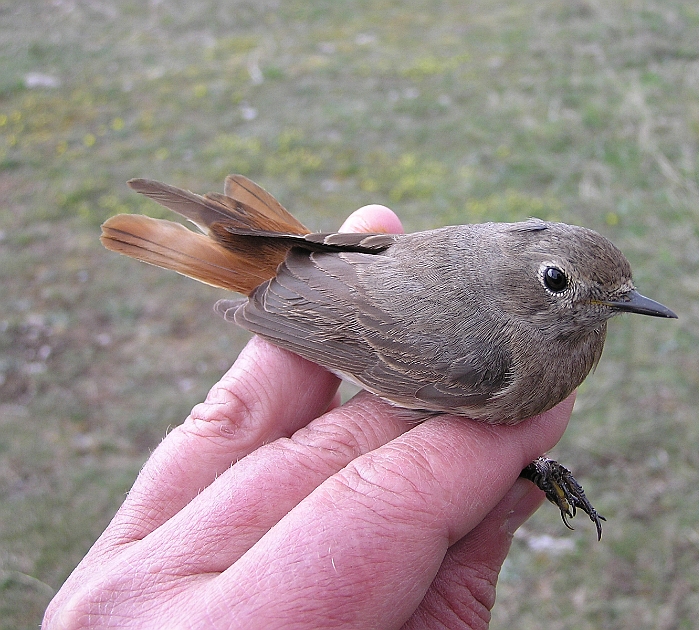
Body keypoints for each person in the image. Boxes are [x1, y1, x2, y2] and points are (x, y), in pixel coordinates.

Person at [43, 204, 576, 629]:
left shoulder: (526, 316)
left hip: (360, 274)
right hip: (342, 302)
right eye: (561, 284)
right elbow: (360, 329)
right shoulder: (491, 358)